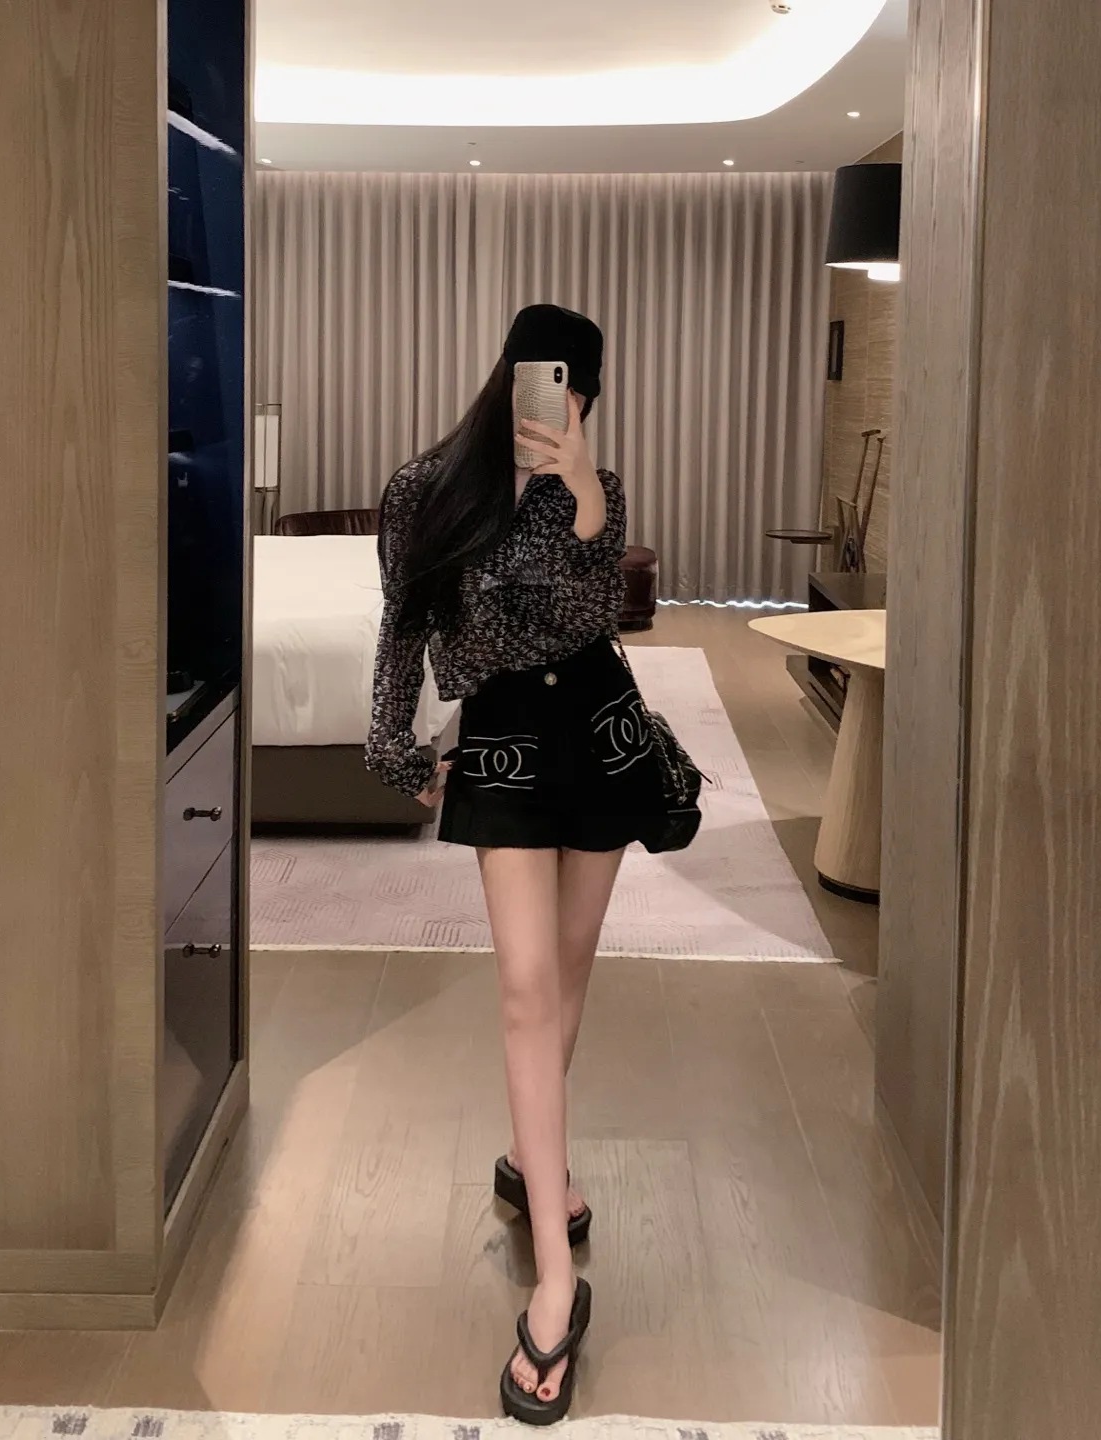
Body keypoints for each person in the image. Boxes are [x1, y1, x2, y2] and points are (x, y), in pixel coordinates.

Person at [365, 303, 667, 1424]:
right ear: (508, 376)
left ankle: (533, 1159)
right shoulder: (422, 489)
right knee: (527, 991)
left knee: (567, 978)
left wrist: (582, 493)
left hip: (598, 729)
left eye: (580, 389)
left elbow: (591, 616)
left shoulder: (598, 488)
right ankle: (553, 1280)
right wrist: (396, 748)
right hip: (502, 741)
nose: (562, 403)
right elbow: (404, 628)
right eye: (549, 380)